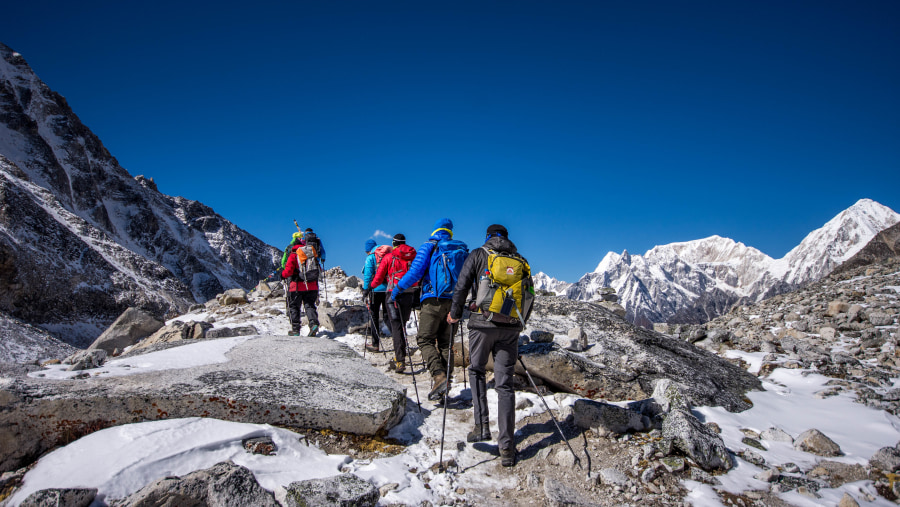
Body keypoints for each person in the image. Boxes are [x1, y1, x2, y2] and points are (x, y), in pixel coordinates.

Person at [448, 224, 533, 467]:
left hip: (481, 324)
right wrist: (519, 323)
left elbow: (461, 286)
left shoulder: (478, 254)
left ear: (488, 237)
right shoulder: (521, 260)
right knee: (505, 386)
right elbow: (529, 295)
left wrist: (454, 314)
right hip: (511, 327)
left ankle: (482, 426)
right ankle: (507, 447)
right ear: (507, 238)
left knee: (475, 369)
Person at [392, 218, 468, 402]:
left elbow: (416, 272)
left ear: (435, 230)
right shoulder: (461, 249)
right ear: (450, 231)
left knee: (424, 339)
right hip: (454, 303)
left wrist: (397, 289)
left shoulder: (429, 246)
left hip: (432, 300)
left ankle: (438, 376)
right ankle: (444, 383)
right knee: (445, 344)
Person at [370, 233, 417, 372]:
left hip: (393, 294)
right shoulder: (413, 256)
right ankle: (402, 348)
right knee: (402, 324)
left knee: (396, 326)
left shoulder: (389, 257)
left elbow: (378, 277)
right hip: (410, 293)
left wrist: (370, 287)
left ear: (394, 243)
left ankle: (400, 361)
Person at [281, 235, 322, 337]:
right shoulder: (311, 254)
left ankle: (295, 330)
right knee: (310, 305)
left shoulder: (293, 255)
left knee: (294, 307)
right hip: (312, 285)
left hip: (297, 286)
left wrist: (282, 275)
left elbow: (288, 271)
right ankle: (313, 324)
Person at [361, 239, 391, 352]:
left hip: (375, 290)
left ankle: (375, 344)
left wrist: (365, 290)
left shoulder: (371, 257)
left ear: (368, 250)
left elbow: (368, 275)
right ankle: (400, 341)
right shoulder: (388, 255)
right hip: (389, 289)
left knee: (374, 316)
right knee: (388, 315)